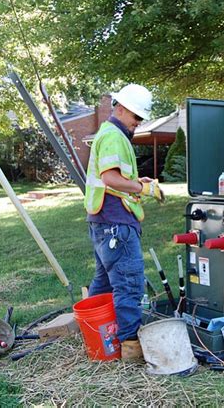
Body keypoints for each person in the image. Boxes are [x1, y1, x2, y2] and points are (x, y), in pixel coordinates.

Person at [84, 84, 164, 360]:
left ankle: (92, 333)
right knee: (129, 284)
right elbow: (110, 179)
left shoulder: (110, 134)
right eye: (136, 117)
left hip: (103, 221)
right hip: (116, 223)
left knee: (104, 282)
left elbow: (115, 179)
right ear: (121, 108)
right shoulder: (114, 137)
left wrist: (136, 183)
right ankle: (130, 347)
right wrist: (143, 189)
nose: (138, 123)